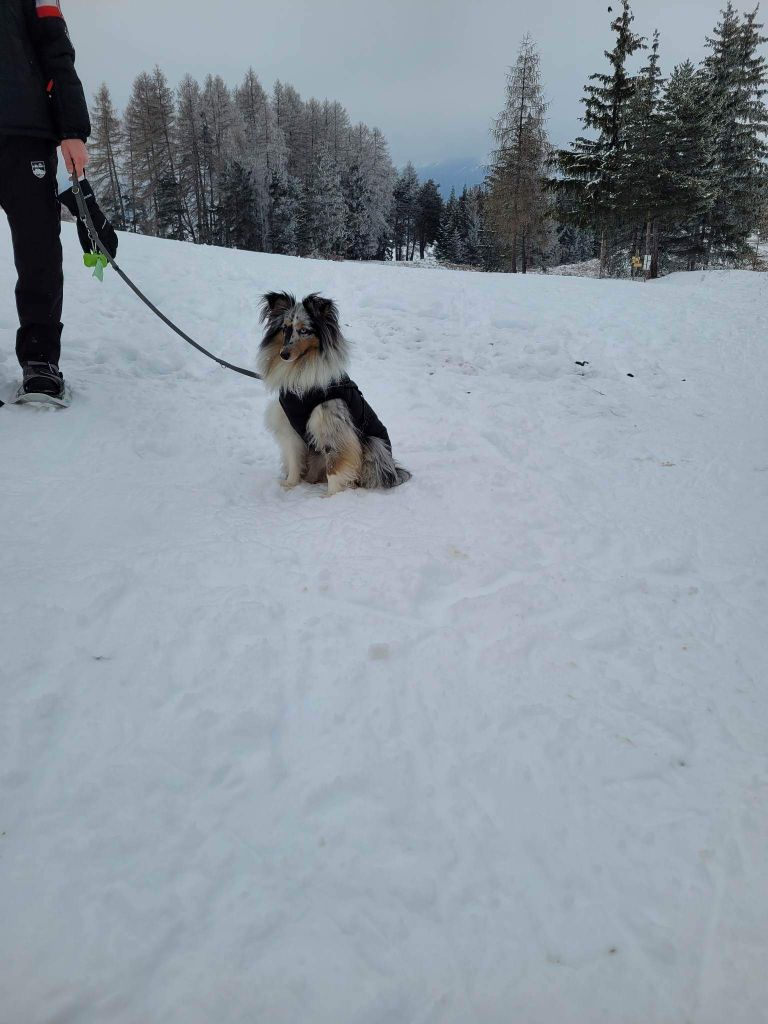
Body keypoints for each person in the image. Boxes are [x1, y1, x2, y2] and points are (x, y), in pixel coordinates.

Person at [0, 0, 90, 399]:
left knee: (38, 251)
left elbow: (56, 47)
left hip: (27, 132)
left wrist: (71, 128)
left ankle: (40, 359)